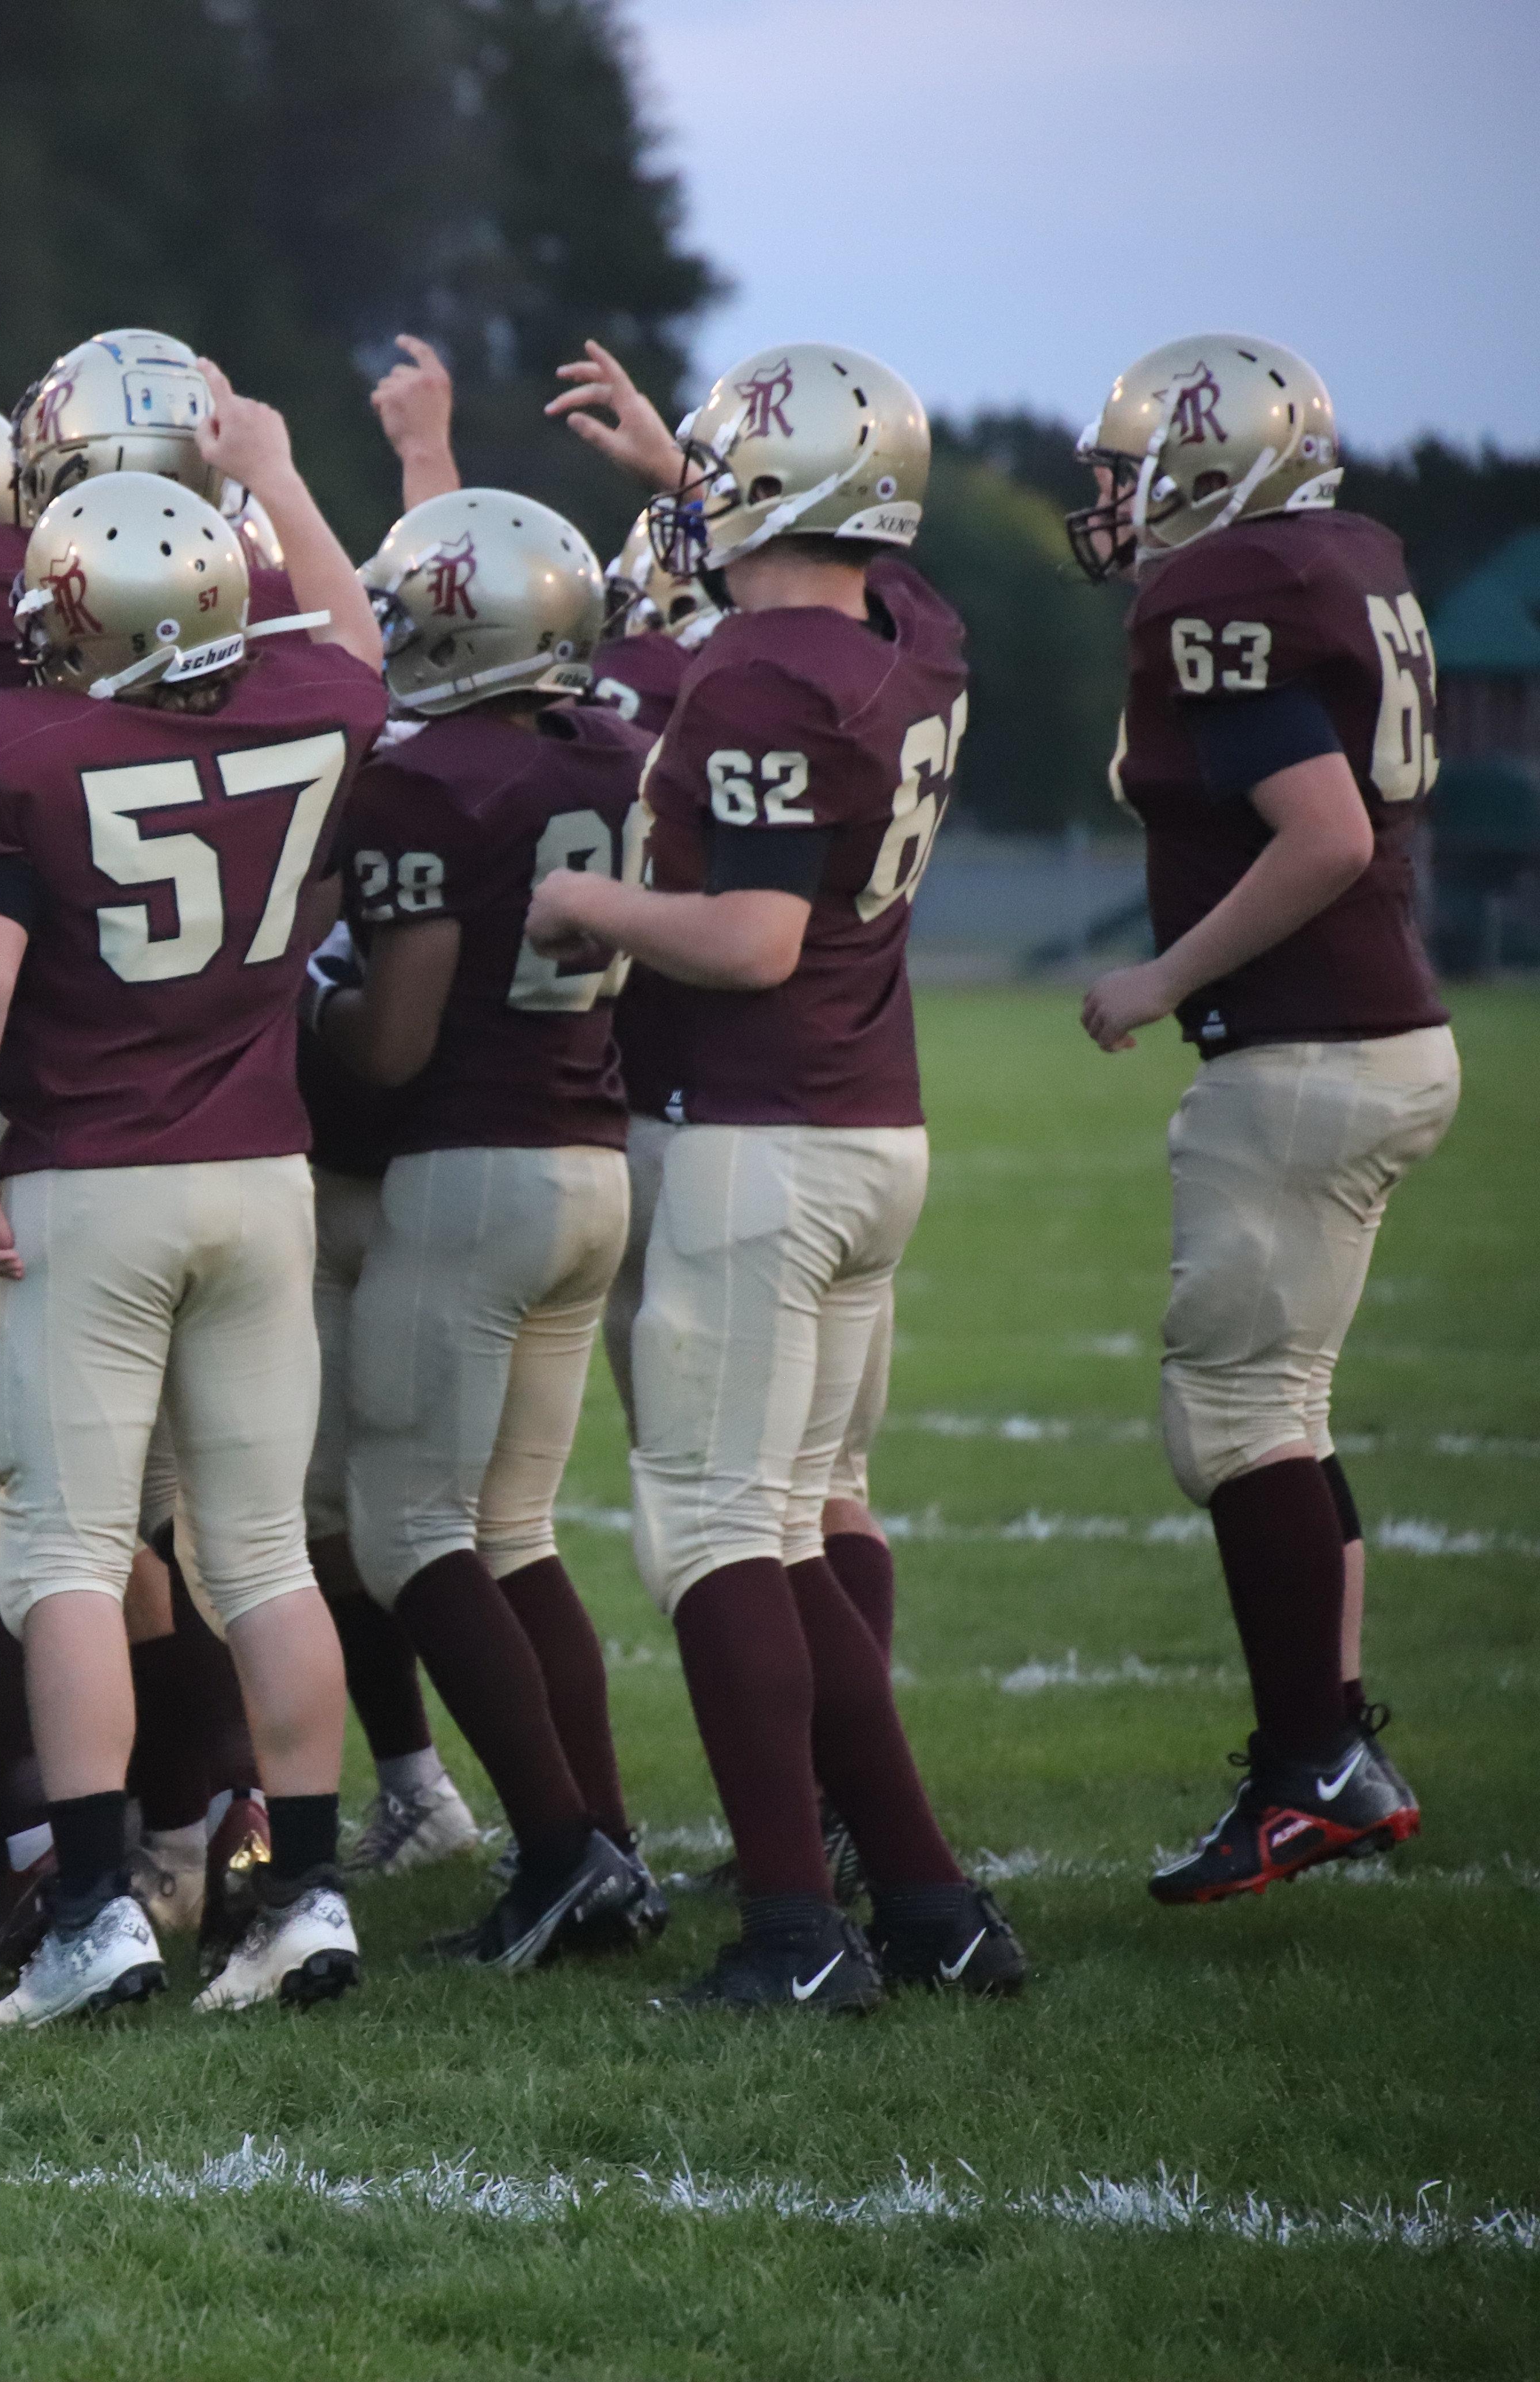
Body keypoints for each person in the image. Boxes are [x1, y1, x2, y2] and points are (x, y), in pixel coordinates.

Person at [526, 340, 1023, 2010]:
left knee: (718, 1534)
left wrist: (588, 906)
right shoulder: (913, 636)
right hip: (873, 1127)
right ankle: (933, 1904)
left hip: (759, 1130)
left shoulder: (752, 678)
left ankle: (797, 1934)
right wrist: (690, 470)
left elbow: (752, 938)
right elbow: (835, 558)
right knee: (797, 1531)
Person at [0, 355, 392, 2026]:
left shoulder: (7, 746)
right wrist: (285, 471)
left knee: (62, 1550)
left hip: (96, 1182)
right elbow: (356, 645)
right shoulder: (312, 705)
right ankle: (305, 1896)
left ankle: (95, 1912)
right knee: (260, 1553)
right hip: (261, 1173)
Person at [1065, 332, 1457, 1902]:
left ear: (1206, 464)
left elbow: (1323, 836)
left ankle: (1311, 1768)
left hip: (1304, 1052)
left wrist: (1162, 976)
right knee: (1282, 1408)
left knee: (1232, 1419)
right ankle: (1332, 1748)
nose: (1110, 501)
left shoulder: (1223, 590)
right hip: (1380, 1033)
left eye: (1128, 471)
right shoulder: (1339, 557)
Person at [318, 487, 661, 1970]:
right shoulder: (615, 750)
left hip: (468, 1173)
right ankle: (604, 1845)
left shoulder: (423, 783)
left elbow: (394, 1045)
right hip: (590, 1155)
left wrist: (306, 1010)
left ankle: (565, 1853)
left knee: (406, 1528)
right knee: (513, 1529)